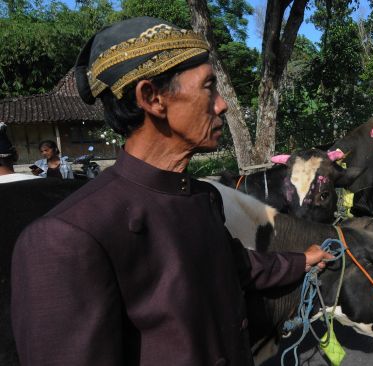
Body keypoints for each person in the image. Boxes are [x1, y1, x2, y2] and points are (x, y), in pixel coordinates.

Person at [11, 17, 333, 366]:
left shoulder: (201, 198)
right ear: (152, 98)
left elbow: (234, 266)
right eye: (209, 87)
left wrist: (303, 259)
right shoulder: (67, 237)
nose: (222, 104)